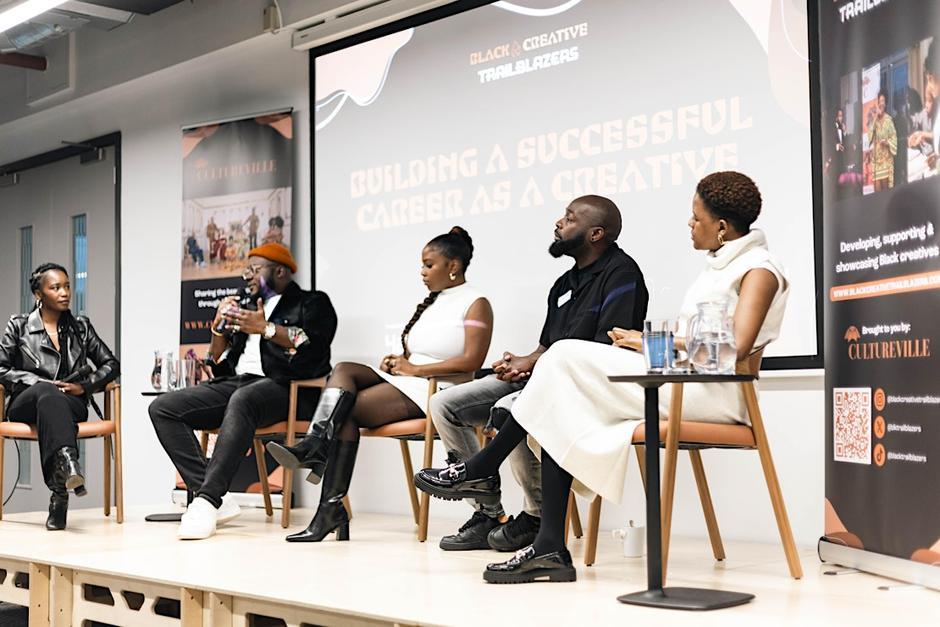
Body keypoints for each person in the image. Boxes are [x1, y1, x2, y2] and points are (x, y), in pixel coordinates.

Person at [416, 171, 789, 584]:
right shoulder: (718, 267)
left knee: (562, 361)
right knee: (562, 394)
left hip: (715, 395)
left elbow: (735, 345)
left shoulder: (760, 269)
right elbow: (699, 340)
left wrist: (651, 342)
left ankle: (488, 469)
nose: (689, 224)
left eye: (695, 217)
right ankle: (549, 546)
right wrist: (649, 342)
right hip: (681, 382)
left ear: (721, 227)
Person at [425, 196, 649, 553]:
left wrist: (537, 367)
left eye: (569, 218)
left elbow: (607, 350)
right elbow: (547, 348)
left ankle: (537, 516)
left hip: (585, 385)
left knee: (510, 408)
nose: (559, 223)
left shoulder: (622, 274)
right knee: (445, 403)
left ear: (596, 233)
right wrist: (522, 361)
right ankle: (486, 510)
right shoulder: (562, 285)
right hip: (546, 374)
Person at [266, 227, 493, 543]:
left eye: (429, 265)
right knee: (344, 369)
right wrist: (399, 361)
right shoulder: (432, 303)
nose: (422, 272)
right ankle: (317, 455)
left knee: (345, 411)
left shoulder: (475, 302)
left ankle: (326, 492)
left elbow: (471, 360)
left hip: (441, 392)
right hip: (411, 382)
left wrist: (414, 368)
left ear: (452, 265)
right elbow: (421, 354)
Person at [148, 243, 337, 540]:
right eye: (246, 269)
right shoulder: (246, 307)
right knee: (163, 407)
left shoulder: (312, 303)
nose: (247, 275)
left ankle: (207, 500)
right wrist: (217, 330)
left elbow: (313, 346)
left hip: (288, 387)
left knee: (243, 398)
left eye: (255, 268)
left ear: (280, 271)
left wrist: (267, 329)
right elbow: (222, 367)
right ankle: (216, 498)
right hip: (239, 383)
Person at [0, 263, 119, 531]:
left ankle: (60, 487)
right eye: (55, 287)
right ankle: (67, 464)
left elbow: (111, 364)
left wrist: (85, 386)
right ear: (38, 294)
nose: (65, 292)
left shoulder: (81, 327)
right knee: (45, 391)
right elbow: (1, 368)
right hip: (26, 402)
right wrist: (40, 382)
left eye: (67, 286)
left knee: (52, 399)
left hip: (69, 403)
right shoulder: (18, 326)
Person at [868, 90, 897, 192]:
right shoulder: (873, 121)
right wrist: (875, 118)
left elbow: (894, 138)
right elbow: (869, 138)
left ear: (886, 103)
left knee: (885, 194)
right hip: (876, 162)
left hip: (885, 161)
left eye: (883, 101)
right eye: (880, 101)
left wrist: (887, 143)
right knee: (877, 195)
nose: (881, 103)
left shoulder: (889, 120)